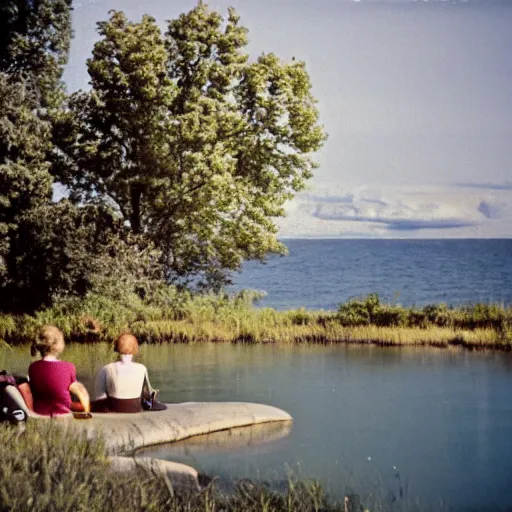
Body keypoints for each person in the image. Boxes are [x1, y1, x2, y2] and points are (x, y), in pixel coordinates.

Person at [91, 333, 166, 413]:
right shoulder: (142, 368)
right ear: (135, 348)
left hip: (114, 408)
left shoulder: (106, 369)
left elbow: (100, 397)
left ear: (116, 348)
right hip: (135, 408)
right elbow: (148, 395)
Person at [28, 325, 90, 417]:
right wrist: (86, 408)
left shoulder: (33, 367)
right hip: (62, 415)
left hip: (39, 414)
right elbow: (80, 391)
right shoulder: (68, 367)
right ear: (59, 345)